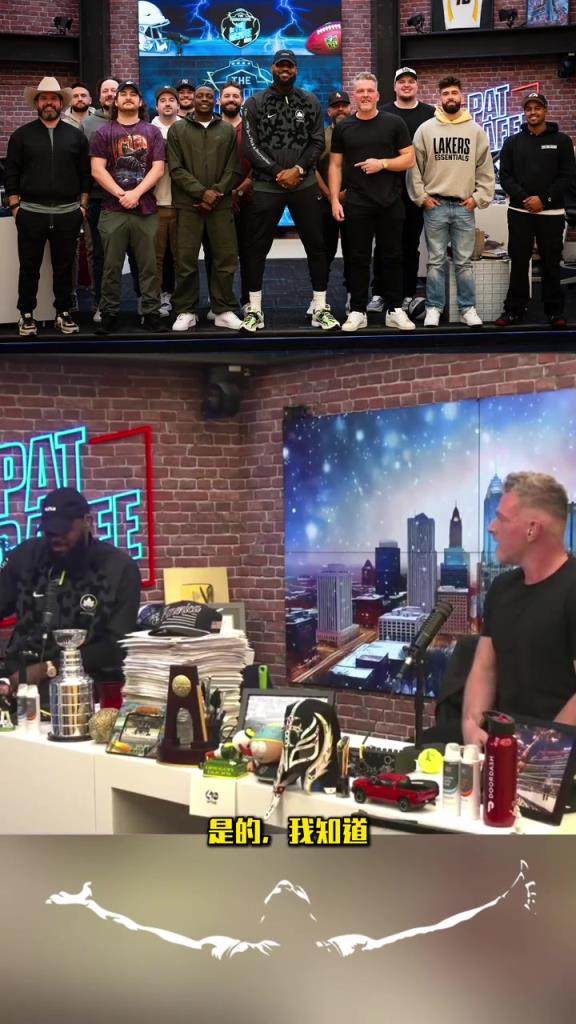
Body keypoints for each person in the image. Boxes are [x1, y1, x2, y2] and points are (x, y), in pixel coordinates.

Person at [462, 472, 576, 748]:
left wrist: (542, 750)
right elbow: (485, 668)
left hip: (559, 757)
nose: (492, 528)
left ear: (532, 529)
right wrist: (471, 725)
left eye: (501, 519)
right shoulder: (501, 588)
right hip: (503, 748)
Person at [0, 487, 141, 704]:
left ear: (87, 521)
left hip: (83, 694)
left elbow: (117, 647)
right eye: (49, 532)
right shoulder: (27, 556)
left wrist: (49, 668)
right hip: (14, 686)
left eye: (64, 530)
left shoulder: (118, 569)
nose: (56, 538)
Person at [242, 49, 339, 333]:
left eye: (290, 66)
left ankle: (319, 308)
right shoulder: (255, 102)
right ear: (272, 68)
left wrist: (297, 169)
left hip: (303, 184)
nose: (285, 70)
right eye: (280, 65)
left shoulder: (309, 101)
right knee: (256, 248)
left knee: (316, 246)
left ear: (296, 70)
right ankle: (254, 310)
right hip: (266, 184)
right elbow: (250, 145)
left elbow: (317, 142)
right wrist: (277, 171)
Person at [329, 72, 416, 332]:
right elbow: (335, 166)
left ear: (377, 94)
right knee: (357, 258)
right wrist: (334, 199)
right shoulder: (344, 127)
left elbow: (409, 159)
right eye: (360, 91)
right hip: (357, 203)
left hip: (391, 202)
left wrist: (383, 164)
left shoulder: (394, 122)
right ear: (354, 96)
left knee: (393, 257)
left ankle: (395, 309)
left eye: (370, 91)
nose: (365, 95)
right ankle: (357, 310)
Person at [4, 75, 91, 337]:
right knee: (29, 267)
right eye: (44, 98)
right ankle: (26, 314)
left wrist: (82, 207)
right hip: (31, 212)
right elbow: (11, 173)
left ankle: (63, 313)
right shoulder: (21, 136)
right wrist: (15, 207)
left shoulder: (75, 136)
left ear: (61, 103)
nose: (49, 102)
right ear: (37, 103)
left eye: (54, 98)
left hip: (67, 213)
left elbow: (85, 174)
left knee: (63, 268)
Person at [407, 75, 495, 329]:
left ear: (461, 96)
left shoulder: (475, 131)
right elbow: (414, 168)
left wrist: (478, 199)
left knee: (463, 263)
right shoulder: (426, 129)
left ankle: (467, 309)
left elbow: (485, 169)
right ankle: (434, 307)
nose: (450, 97)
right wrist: (422, 198)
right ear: (440, 98)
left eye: (454, 93)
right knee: (435, 262)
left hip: (463, 206)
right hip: (435, 206)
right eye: (446, 94)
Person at [90, 80, 166, 335]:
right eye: (124, 94)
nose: (129, 98)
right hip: (113, 209)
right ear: (116, 100)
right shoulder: (103, 133)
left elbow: (158, 168)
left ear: (140, 101)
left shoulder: (152, 132)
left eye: (134, 94)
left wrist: (136, 194)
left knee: (149, 267)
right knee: (110, 267)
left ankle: (151, 313)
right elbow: (97, 170)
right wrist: (122, 194)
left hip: (145, 209)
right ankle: (109, 314)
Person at [495, 92, 576, 330]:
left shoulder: (562, 141)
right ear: (524, 112)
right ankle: (513, 310)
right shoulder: (512, 142)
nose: (533, 112)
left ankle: (554, 311)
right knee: (519, 262)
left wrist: (544, 199)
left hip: (551, 213)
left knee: (551, 263)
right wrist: (525, 199)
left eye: (537, 108)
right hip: (519, 212)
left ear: (545, 111)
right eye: (528, 108)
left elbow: (567, 177)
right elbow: (506, 176)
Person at [167, 83, 243, 332]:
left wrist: (215, 194)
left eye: (209, 96)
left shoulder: (227, 130)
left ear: (215, 101)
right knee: (186, 259)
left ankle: (222, 310)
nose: (204, 99)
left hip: (220, 206)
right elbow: (176, 168)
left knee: (225, 258)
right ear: (191, 100)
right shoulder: (178, 129)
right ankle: (186, 310)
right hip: (189, 205)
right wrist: (202, 193)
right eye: (199, 96)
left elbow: (234, 168)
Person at [368, 67, 435, 316]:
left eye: (411, 81)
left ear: (417, 86)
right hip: (386, 190)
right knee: (384, 244)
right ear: (394, 86)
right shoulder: (383, 113)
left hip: (416, 191)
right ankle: (379, 293)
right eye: (402, 81)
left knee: (409, 245)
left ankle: (407, 293)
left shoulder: (431, 114)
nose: (406, 85)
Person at [310, 89, 352, 317]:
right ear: (329, 111)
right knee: (324, 253)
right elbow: (313, 168)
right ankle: (318, 299)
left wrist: (347, 193)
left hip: (354, 202)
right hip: (325, 204)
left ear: (350, 108)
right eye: (336, 106)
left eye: (344, 105)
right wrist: (331, 196)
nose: (340, 109)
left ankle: (353, 297)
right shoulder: (321, 137)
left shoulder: (359, 133)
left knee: (354, 253)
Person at [82, 77, 120, 322]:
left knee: (135, 255)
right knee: (100, 255)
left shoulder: (135, 122)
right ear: (99, 96)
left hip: (131, 199)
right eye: (105, 90)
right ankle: (101, 303)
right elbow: (81, 165)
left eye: (114, 90)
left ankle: (142, 302)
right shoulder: (87, 125)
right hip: (97, 199)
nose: (110, 94)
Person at [151, 83, 181, 317]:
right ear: (156, 106)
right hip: (155, 205)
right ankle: (160, 298)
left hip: (182, 205)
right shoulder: (147, 130)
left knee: (182, 258)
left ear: (178, 105)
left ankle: (183, 301)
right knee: (156, 258)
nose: (167, 103)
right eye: (163, 100)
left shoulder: (186, 128)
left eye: (172, 100)